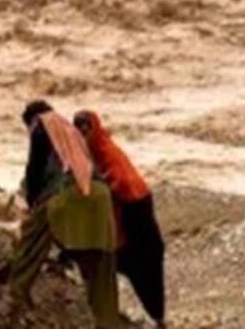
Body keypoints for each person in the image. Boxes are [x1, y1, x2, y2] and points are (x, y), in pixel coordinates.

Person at [5, 100, 120, 327]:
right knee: (99, 263)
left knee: (31, 239)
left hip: (69, 192)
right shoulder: (72, 131)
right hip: (100, 197)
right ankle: (107, 320)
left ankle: (15, 298)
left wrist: (31, 204)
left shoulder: (43, 124)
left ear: (30, 121)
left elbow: (34, 171)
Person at [74, 110, 166, 328]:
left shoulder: (106, 150)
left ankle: (157, 316)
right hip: (127, 210)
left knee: (141, 263)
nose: (84, 133)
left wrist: (104, 188)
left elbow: (123, 181)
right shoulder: (94, 151)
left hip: (135, 208)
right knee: (122, 261)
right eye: (80, 129)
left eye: (87, 128)